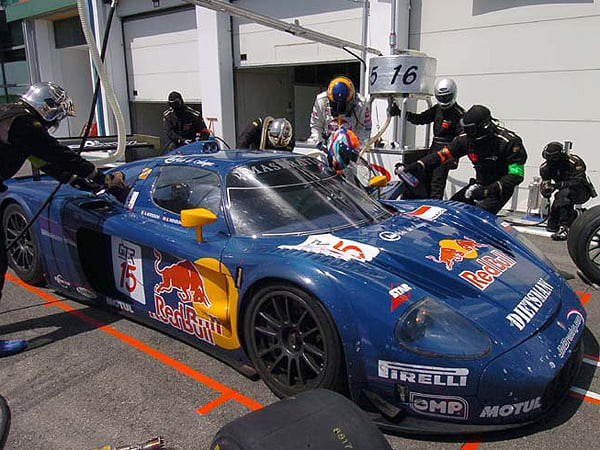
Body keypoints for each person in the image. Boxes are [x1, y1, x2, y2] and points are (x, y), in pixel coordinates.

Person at [0, 81, 123, 357]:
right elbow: (58, 153)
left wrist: (81, 183)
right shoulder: (22, 123)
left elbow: (48, 164)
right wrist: (99, 176)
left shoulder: (14, 120)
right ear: (46, 106)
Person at [401, 104, 527, 215]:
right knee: (450, 211)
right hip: (479, 183)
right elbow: (442, 155)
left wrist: (487, 191)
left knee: (475, 219)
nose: (466, 133)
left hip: (498, 189)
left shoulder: (508, 142)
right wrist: (419, 165)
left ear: (485, 126)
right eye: (464, 129)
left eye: (470, 129)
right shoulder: (465, 140)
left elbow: (516, 174)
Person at [389, 78, 465, 199]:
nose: (444, 100)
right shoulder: (437, 109)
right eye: (441, 97)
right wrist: (400, 112)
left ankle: (435, 208)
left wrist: (455, 158)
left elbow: (461, 139)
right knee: (425, 180)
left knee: (437, 184)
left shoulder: (459, 113)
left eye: (446, 97)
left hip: (446, 152)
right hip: (433, 148)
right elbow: (420, 119)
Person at [539, 141, 595, 241]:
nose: (551, 161)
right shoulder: (545, 168)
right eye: (548, 158)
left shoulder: (574, 162)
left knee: (564, 194)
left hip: (581, 191)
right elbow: (545, 182)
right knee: (552, 226)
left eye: (554, 158)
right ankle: (577, 215)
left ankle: (565, 227)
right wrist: (545, 190)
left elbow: (579, 181)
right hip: (562, 194)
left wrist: (558, 185)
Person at [308, 76, 372, 148]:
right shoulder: (321, 101)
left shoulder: (362, 103)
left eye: (344, 104)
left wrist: (358, 146)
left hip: (352, 145)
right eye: (335, 104)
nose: (339, 107)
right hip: (328, 144)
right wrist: (319, 144)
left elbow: (366, 128)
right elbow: (316, 125)